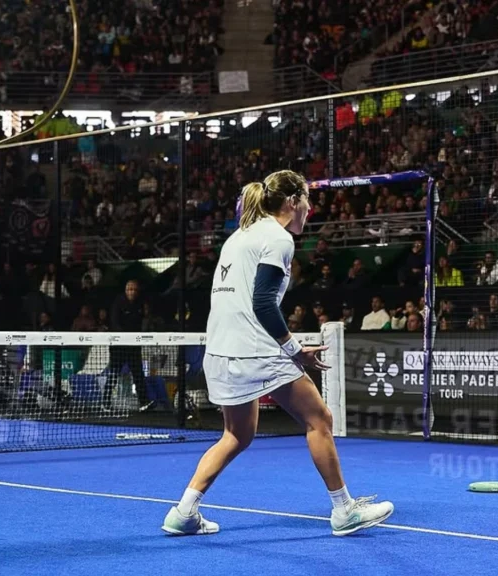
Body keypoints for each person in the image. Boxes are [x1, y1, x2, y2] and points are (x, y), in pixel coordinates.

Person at [161, 170, 394, 537]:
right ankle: (344, 510)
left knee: (237, 435)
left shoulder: (239, 236)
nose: (310, 209)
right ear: (292, 201)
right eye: (307, 201)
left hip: (219, 351)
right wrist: (296, 351)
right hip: (255, 351)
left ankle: (183, 512)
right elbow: (263, 304)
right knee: (319, 419)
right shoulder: (278, 238)